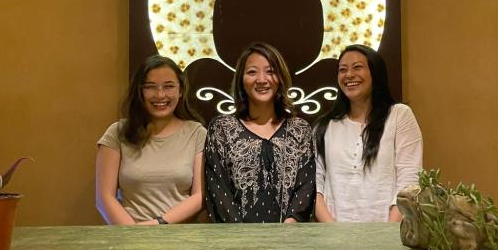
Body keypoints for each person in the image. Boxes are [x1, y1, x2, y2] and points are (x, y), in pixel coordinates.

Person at [205, 42, 315, 223]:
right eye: (252, 72)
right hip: (236, 243)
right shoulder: (222, 128)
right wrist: (243, 240)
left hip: (290, 242)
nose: (262, 79)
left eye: (270, 71)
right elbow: (218, 189)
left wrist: (289, 228)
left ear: (281, 78)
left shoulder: (300, 129)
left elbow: (306, 187)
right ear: (241, 79)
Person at [313, 44, 422, 223]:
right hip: (334, 240)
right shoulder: (324, 126)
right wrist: (332, 232)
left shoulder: (399, 115)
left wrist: (385, 235)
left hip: (387, 239)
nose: (349, 75)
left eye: (358, 67)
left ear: (375, 73)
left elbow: (409, 182)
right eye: (342, 69)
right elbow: (316, 188)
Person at [96, 55, 206, 225]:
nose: (160, 95)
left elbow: (200, 197)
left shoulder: (197, 133)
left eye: (169, 86)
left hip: (181, 239)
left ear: (181, 90)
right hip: (129, 238)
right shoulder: (117, 133)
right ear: (140, 91)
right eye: (150, 87)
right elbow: (105, 198)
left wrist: (158, 224)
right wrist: (133, 235)